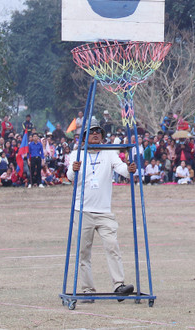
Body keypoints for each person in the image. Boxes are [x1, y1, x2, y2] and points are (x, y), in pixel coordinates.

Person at [66, 125, 135, 299]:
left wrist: (129, 170)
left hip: (104, 212)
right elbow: (70, 177)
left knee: (112, 246)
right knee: (83, 252)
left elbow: (122, 169)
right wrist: (74, 169)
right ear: (84, 138)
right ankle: (88, 290)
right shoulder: (76, 154)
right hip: (83, 210)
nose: (96, 134)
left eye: (98, 132)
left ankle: (119, 285)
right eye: (91, 132)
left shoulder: (109, 153)